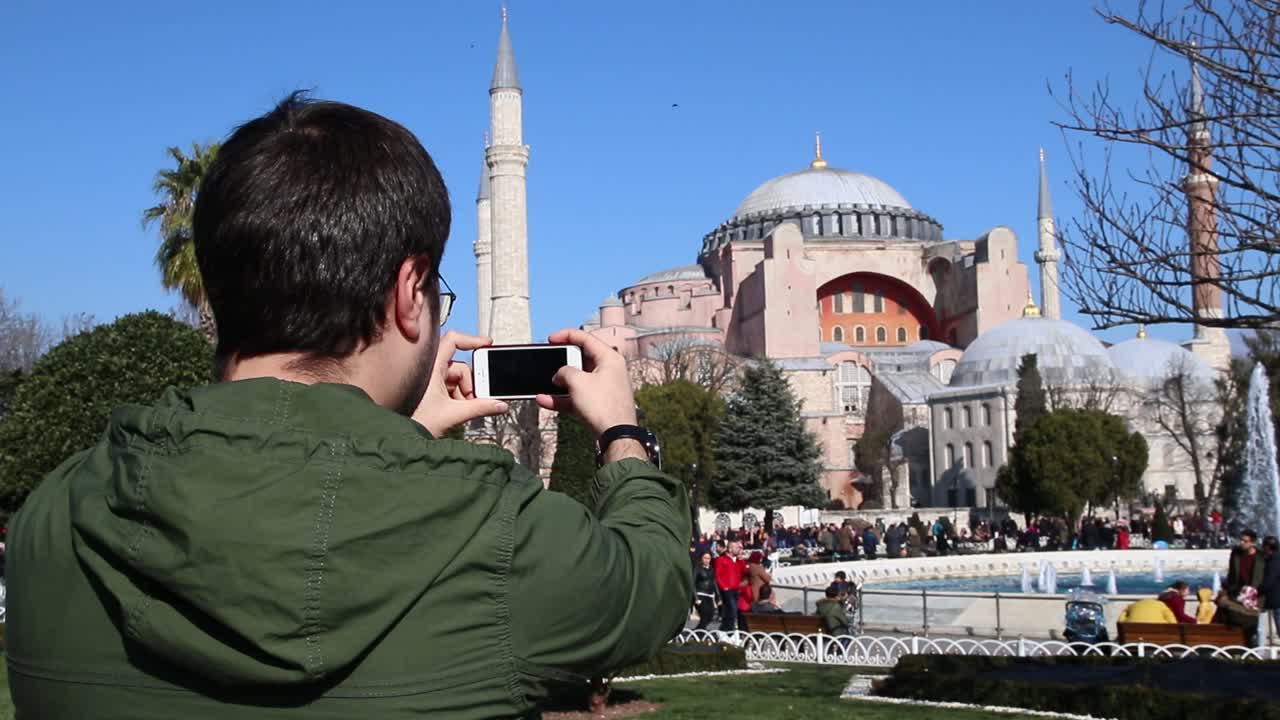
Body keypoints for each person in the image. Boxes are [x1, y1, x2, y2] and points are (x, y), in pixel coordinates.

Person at [4, 94, 692, 719]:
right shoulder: (497, 534)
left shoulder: (55, 520)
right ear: (408, 290)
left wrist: (399, 436)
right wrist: (622, 432)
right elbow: (651, 583)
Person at [714, 541, 748, 632]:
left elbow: (745, 571)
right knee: (732, 610)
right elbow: (717, 575)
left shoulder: (737, 561)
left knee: (733, 611)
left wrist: (741, 560)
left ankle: (725, 629)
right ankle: (728, 630)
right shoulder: (721, 560)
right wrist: (724, 587)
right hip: (727, 590)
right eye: (736, 547)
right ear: (730, 549)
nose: (738, 549)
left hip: (736, 589)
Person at [1227, 530, 1265, 597]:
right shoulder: (1236, 554)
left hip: (1254, 594)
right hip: (1237, 592)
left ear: (1253, 543)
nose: (1241, 543)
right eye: (1241, 540)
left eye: (1245, 541)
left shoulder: (1261, 556)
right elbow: (1231, 573)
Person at [1258, 536, 1280, 645]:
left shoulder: (1274, 561)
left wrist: (1257, 590)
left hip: (1277, 600)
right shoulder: (1274, 559)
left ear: (1267, 547)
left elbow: (1269, 581)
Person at [694, 552, 719, 630]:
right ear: (701, 558)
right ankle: (700, 633)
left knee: (710, 615)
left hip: (709, 595)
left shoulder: (711, 569)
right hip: (700, 595)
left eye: (708, 558)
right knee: (704, 615)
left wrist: (718, 596)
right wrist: (696, 598)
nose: (706, 560)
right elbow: (692, 583)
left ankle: (697, 631)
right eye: (705, 558)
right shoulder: (697, 569)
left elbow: (714, 582)